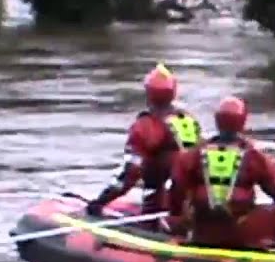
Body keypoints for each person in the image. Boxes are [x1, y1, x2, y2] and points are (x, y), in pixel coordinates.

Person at [164, 96, 275, 249]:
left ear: (217, 121)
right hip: (239, 233)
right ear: (243, 122)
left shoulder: (194, 154)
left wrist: (179, 218)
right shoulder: (253, 156)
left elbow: (176, 189)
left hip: (202, 232)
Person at [86, 63, 202, 220]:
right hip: (193, 207)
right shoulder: (189, 121)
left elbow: (130, 174)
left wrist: (100, 202)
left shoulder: (145, 127)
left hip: (160, 208)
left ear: (148, 93)